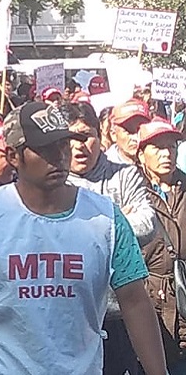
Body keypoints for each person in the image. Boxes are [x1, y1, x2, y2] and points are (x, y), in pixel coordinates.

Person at [0, 102, 167, 375]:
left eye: (62, 145)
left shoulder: (106, 218)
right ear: (13, 156)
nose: (59, 157)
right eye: (44, 149)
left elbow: (135, 301)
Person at [59, 101, 157, 375]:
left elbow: (148, 224)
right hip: (69, 314)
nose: (79, 146)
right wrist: (116, 218)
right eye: (70, 138)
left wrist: (82, 226)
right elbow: (51, 236)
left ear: (100, 134)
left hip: (119, 314)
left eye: (85, 136)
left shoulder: (124, 174)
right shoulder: (55, 180)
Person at [136, 119, 186, 372]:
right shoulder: (133, 192)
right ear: (141, 153)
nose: (167, 153)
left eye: (172, 147)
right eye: (157, 147)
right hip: (151, 307)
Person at [107, 99, 152, 165]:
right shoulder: (103, 169)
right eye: (128, 130)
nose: (135, 137)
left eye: (140, 130)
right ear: (113, 134)